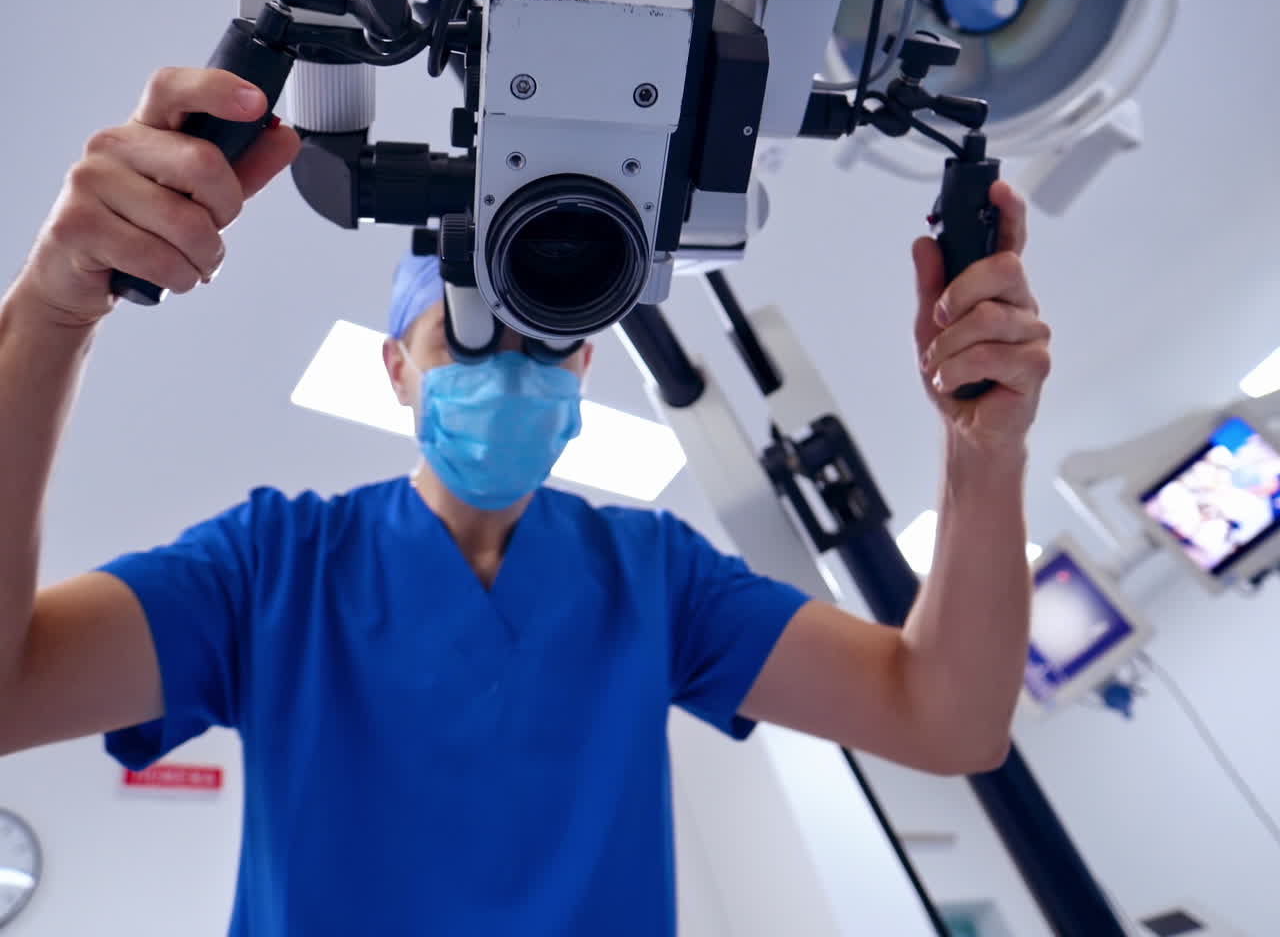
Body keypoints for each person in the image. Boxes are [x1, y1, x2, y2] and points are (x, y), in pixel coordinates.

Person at [0, 66, 1052, 934]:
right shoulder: (270, 568)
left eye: (542, 336)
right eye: (462, 330)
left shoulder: (655, 577)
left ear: (585, 362)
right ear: (395, 370)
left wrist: (982, 451)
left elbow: (947, 719)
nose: (508, 364)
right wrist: (50, 312)